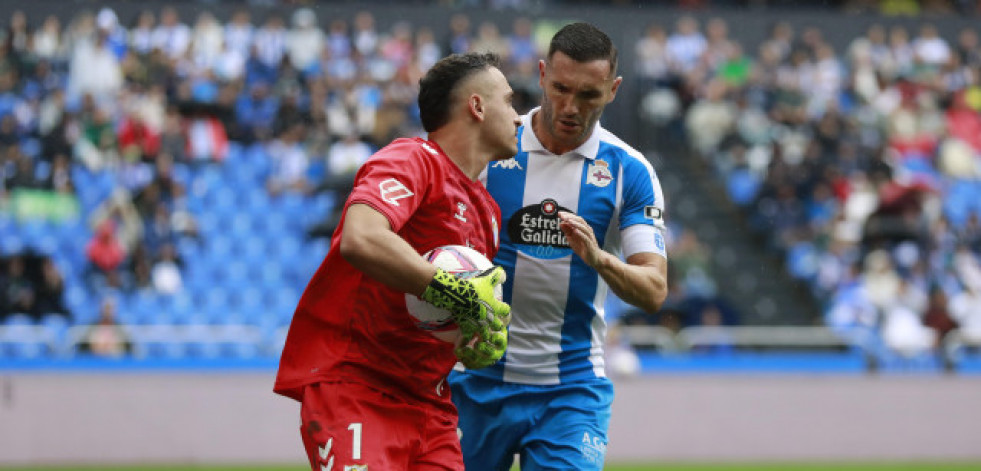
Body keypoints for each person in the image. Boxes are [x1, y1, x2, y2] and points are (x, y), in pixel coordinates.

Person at [274, 52, 520, 471]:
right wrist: (449, 287)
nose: (519, 118)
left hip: (432, 405)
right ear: (477, 106)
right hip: (358, 388)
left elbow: (439, 316)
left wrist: (470, 338)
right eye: (510, 102)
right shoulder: (411, 159)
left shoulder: (489, 215)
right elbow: (362, 238)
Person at [448, 23, 669, 471]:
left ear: (613, 90)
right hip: (474, 379)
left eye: (588, 94)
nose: (569, 107)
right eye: (561, 89)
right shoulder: (486, 150)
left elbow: (653, 290)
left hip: (571, 389)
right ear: (543, 75)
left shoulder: (630, 171)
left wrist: (599, 258)